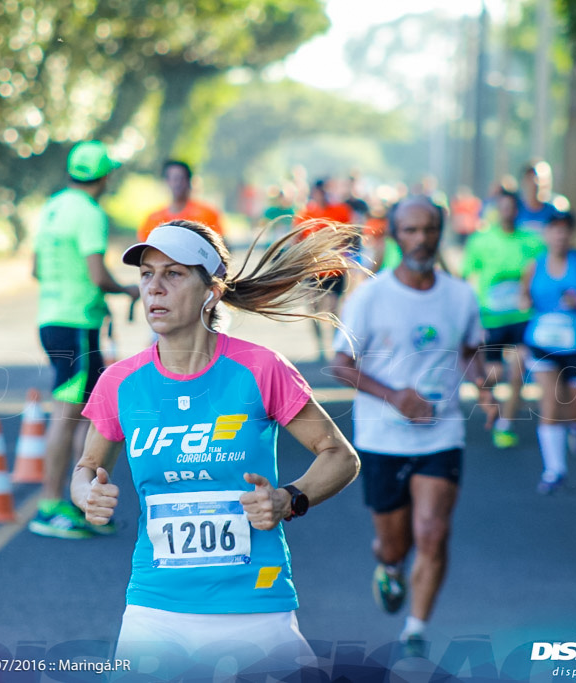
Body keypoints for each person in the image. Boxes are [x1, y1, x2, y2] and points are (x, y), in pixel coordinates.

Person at [70, 220, 360, 675]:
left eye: (174, 274)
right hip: (155, 608)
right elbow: (86, 467)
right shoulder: (120, 382)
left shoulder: (260, 368)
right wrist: (86, 493)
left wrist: (289, 498)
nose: (155, 288)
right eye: (147, 274)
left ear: (211, 291)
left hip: (256, 604)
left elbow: (340, 456)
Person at [328, 196, 499, 655]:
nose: (420, 239)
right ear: (396, 235)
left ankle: (416, 631)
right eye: (410, 230)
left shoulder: (460, 295)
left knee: (433, 530)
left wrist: (484, 387)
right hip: (382, 437)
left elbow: (469, 351)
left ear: (440, 233)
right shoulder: (369, 296)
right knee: (394, 544)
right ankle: (388, 564)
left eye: (428, 229)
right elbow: (340, 364)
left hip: (441, 434)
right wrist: (395, 397)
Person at [28, 140, 140, 539]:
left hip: (53, 318)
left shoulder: (53, 206)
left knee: (86, 415)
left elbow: (36, 269)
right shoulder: (91, 213)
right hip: (77, 325)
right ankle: (50, 506)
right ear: (104, 176)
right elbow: (97, 274)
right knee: (67, 415)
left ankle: (80, 503)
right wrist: (126, 291)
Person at [520, 210, 576, 494]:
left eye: (564, 231)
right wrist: (523, 302)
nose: (559, 236)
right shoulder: (534, 266)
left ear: (571, 234)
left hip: (575, 343)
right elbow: (524, 295)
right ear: (547, 234)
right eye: (554, 230)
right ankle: (554, 470)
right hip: (542, 341)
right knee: (550, 400)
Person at [461, 188, 546, 448]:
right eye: (503, 208)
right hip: (491, 318)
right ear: (497, 211)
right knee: (494, 373)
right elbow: (467, 277)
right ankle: (489, 400)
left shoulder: (532, 241)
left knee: (518, 369)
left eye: (513, 208)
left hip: (522, 316)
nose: (508, 213)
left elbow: (543, 273)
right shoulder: (480, 240)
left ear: (518, 211)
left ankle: (506, 425)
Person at [298, 179, 354, 361]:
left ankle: (337, 347)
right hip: (313, 271)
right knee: (313, 309)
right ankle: (321, 347)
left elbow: (350, 235)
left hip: (335, 270)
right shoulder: (305, 214)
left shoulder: (340, 211)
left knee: (332, 309)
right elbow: (297, 241)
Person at [138, 160, 223, 241]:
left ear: (189, 181)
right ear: (166, 181)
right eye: (174, 179)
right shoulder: (154, 219)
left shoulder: (207, 214)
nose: (178, 183)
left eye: (181, 178)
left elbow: (220, 247)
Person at [516, 162, 558, 233]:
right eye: (530, 178)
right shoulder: (515, 209)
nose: (534, 183)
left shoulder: (553, 212)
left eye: (538, 179)